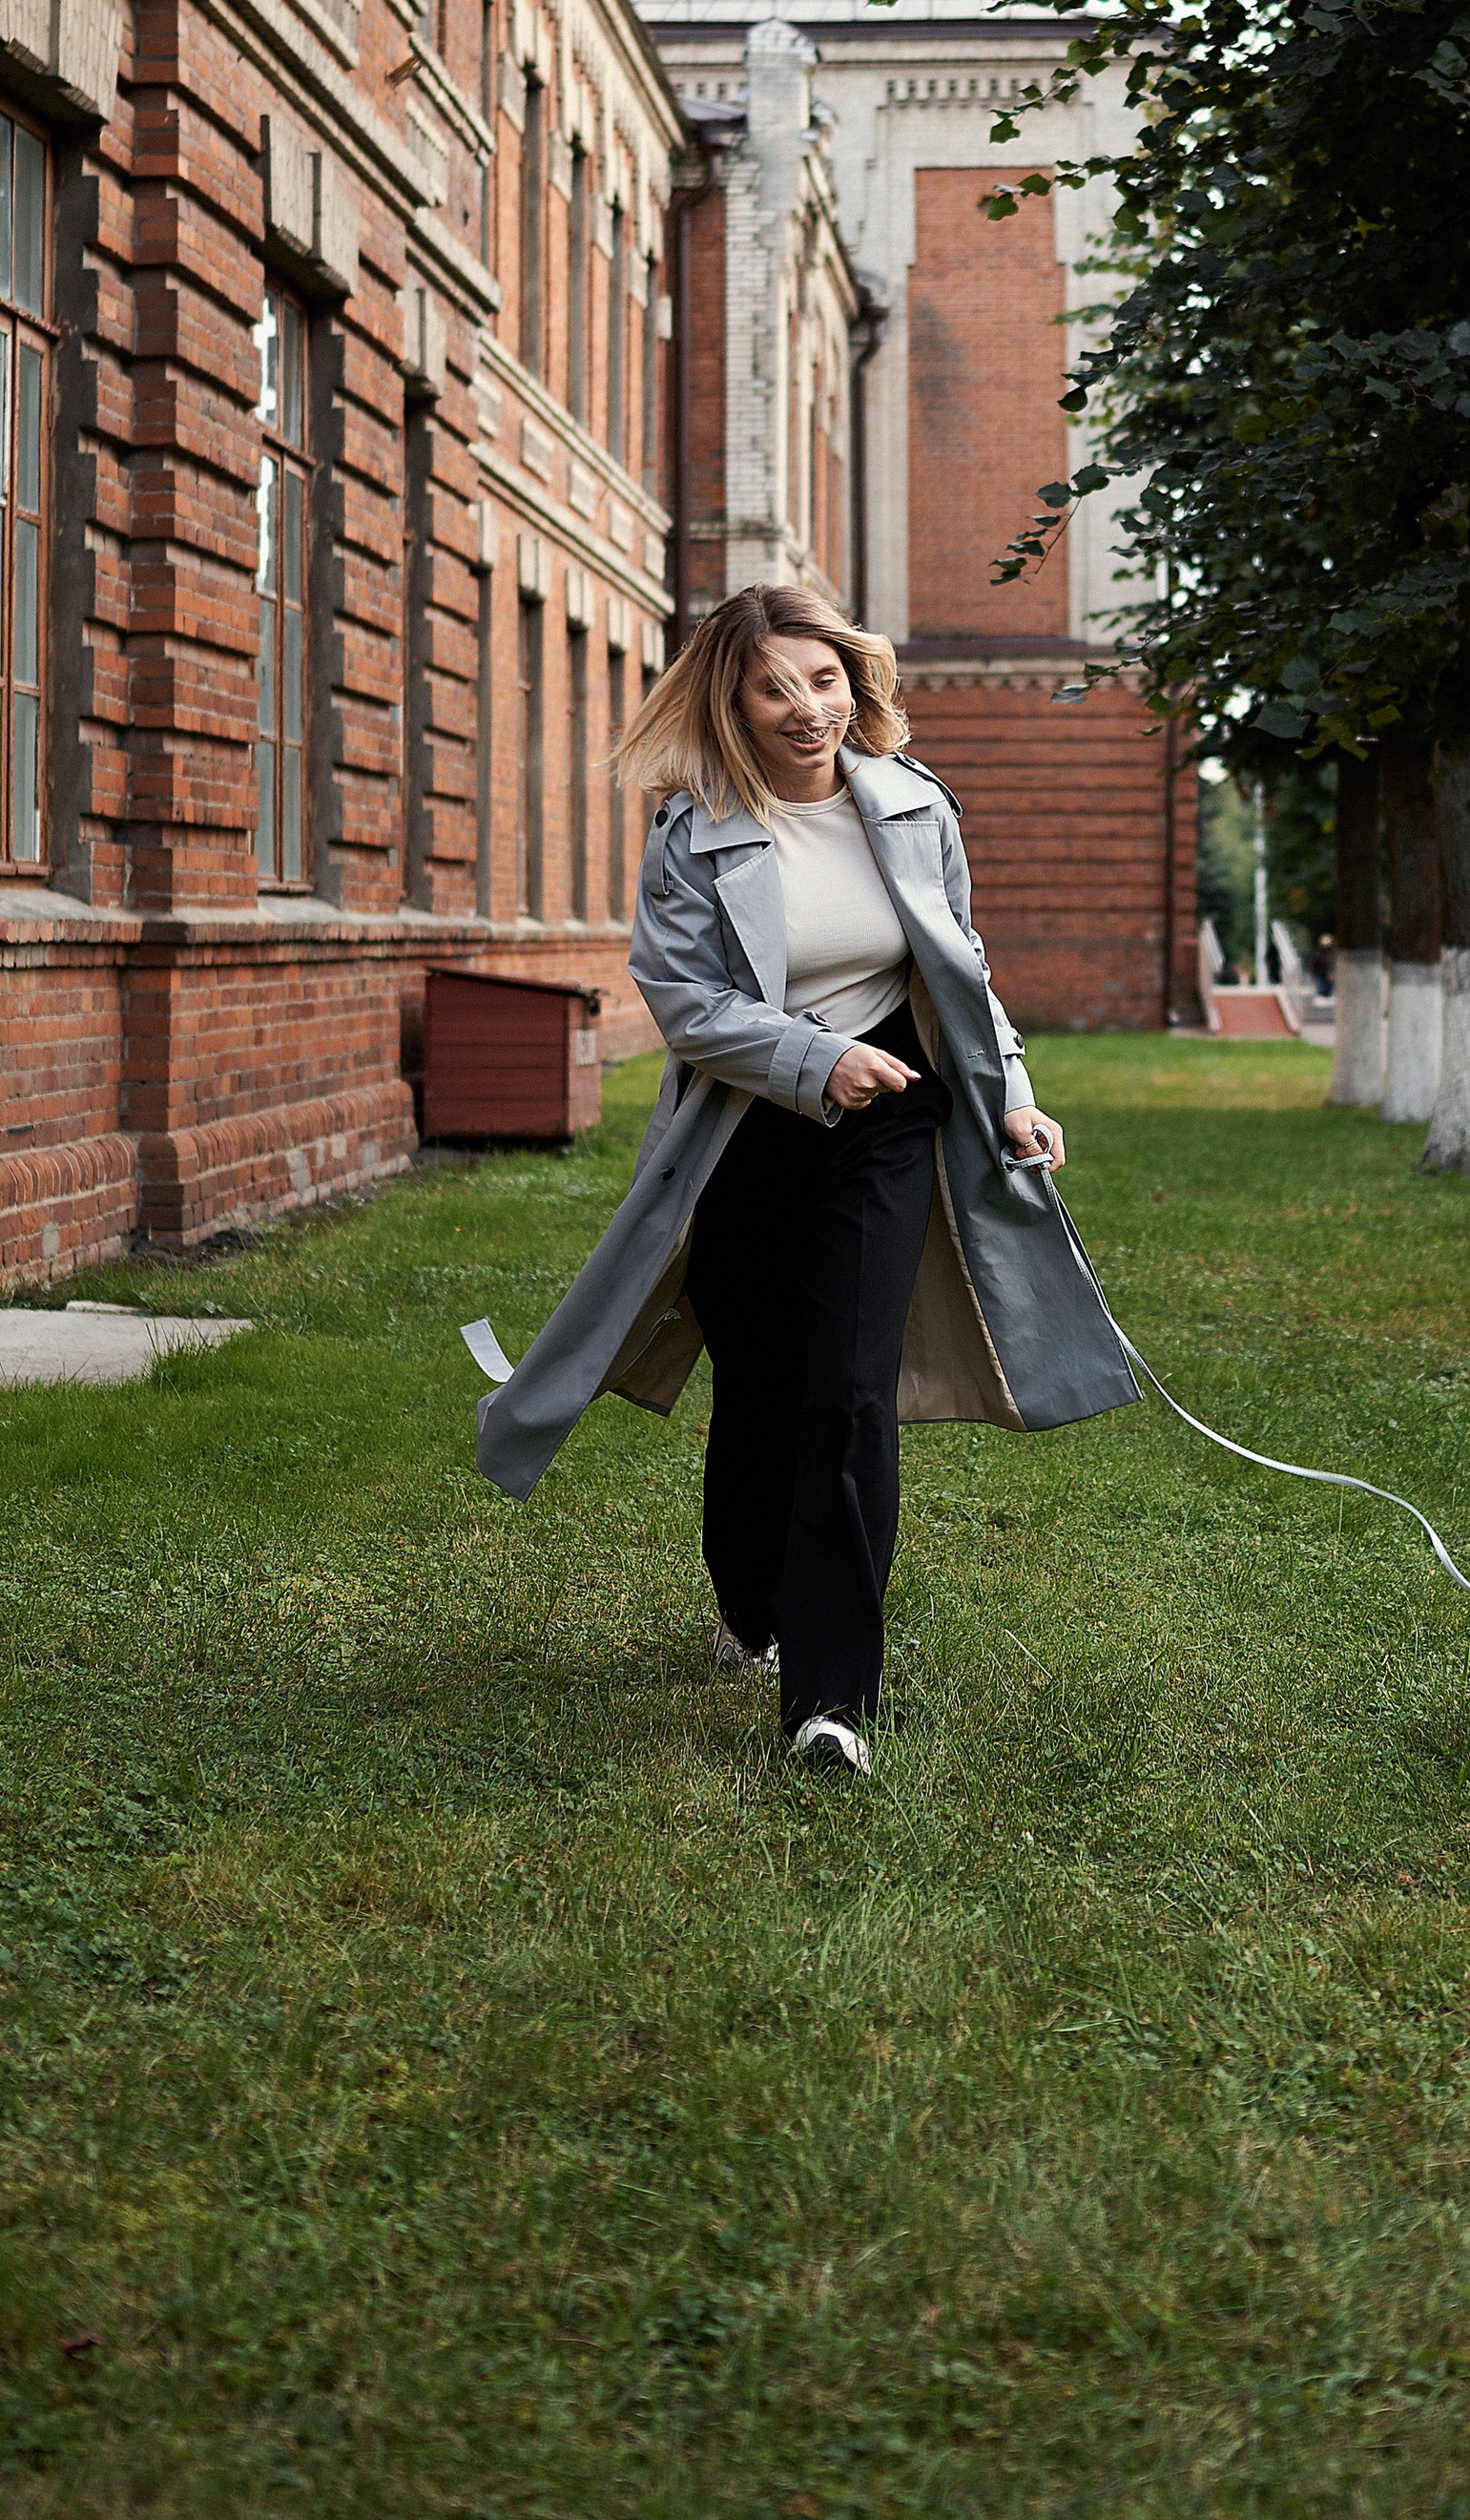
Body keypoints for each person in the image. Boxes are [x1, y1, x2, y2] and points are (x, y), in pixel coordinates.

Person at [469, 582, 1136, 1775]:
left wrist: (1015, 1089)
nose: (806, 707)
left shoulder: (913, 803)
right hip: (742, 1137)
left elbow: (961, 966)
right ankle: (748, 1604)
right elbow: (685, 1005)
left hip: (891, 1131)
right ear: (730, 698)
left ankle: (832, 1700)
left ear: (856, 680)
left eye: (823, 679)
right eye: (774, 685)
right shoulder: (696, 829)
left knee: (847, 1390)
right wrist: (818, 1060)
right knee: (764, 1393)